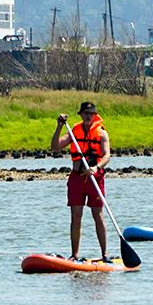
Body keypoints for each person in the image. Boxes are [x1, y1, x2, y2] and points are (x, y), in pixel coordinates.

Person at [51, 101, 112, 262]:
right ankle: (74, 254)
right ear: (81, 115)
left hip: (94, 178)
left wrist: (96, 167)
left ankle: (105, 254)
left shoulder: (101, 133)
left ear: (94, 115)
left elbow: (107, 155)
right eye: (85, 113)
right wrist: (59, 127)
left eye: (90, 114)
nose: (87, 116)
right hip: (77, 177)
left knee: (98, 215)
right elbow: (55, 147)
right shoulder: (74, 132)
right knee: (76, 215)